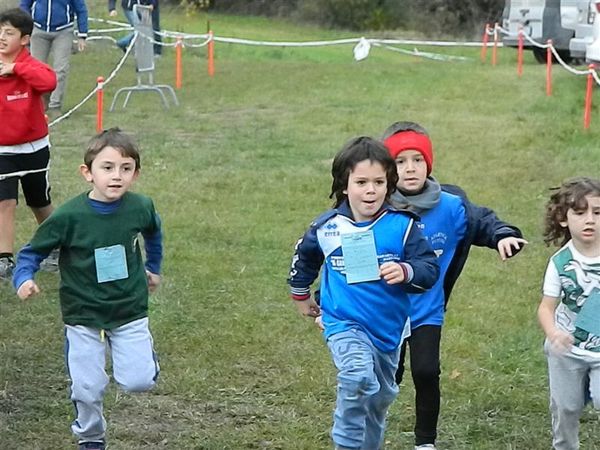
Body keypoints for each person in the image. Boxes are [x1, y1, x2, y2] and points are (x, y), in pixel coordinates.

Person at [12, 127, 163, 450]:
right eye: (107, 168)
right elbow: (31, 252)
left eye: (126, 168)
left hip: (129, 308)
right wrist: (23, 277)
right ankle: (91, 438)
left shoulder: (140, 207)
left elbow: (153, 232)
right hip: (82, 314)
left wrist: (153, 267)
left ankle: (146, 363)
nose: (116, 176)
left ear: (135, 174)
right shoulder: (68, 216)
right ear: (88, 173)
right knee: (87, 388)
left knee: (138, 382)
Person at [381, 121, 527, 450]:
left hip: (426, 310)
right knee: (388, 375)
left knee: (426, 371)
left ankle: (425, 443)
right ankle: (372, 424)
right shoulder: (377, 207)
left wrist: (503, 235)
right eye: (400, 162)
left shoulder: (450, 206)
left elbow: (483, 221)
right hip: (385, 309)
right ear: (389, 168)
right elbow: (347, 252)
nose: (410, 168)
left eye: (417, 160)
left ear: (429, 163)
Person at [288, 136, 439, 450]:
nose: (370, 190)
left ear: (389, 184)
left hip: (389, 330)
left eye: (379, 182)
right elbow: (305, 259)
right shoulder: (327, 228)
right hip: (343, 322)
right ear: (345, 184)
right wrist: (302, 296)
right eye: (361, 182)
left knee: (379, 398)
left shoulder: (402, 226)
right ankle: (345, 443)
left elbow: (428, 268)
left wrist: (406, 271)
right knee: (357, 376)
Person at [538, 177, 600, 450]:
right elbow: (546, 307)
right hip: (567, 351)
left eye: (597, 213)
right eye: (580, 212)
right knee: (567, 408)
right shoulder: (560, 263)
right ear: (563, 219)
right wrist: (553, 333)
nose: (590, 220)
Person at [0, 7, 57, 281]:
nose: (1, 37)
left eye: (8, 33)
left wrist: (16, 69)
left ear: (24, 39)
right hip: (3, 151)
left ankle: (56, 247)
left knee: (39, 201)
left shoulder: (30, 64)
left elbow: (49, 81)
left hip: (34, 148)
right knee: (4, 202)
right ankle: (4, 259)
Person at [20, 0, 88, 116]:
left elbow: (81, 9)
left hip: (64, 31)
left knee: (60, 69)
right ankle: (38, 103)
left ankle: (55, 105)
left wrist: (82, 35)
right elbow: (24, 5)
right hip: (38, 30)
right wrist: (27, 26)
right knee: (35, 70)